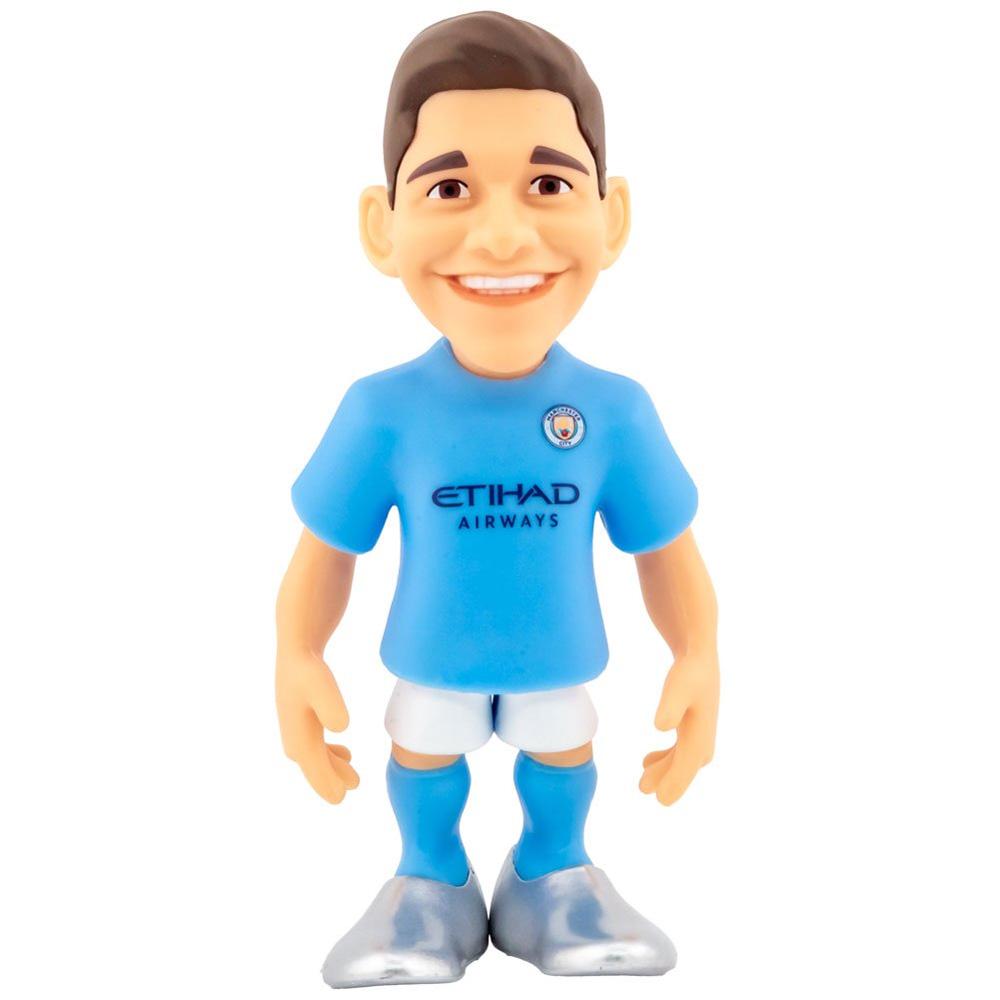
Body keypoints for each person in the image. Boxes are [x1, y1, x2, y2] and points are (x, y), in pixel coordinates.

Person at [275, 11, 720, 989]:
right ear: (382, 226)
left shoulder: (615, 412)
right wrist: (296, 654)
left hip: (554, 659)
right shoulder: (381, 412)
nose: (506, 233)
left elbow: (665, 548)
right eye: (449, 188)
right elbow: (326, 549)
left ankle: (552, 874)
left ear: (612, 215)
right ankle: (428, 880)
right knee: (425, 744)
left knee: (560, 741)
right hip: (432, 660)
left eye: (549, 184)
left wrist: (698, 654)